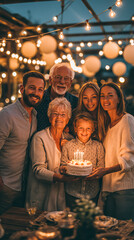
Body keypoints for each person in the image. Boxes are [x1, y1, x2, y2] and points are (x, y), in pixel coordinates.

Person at [0, 71, 45, 215]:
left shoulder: (35, 116)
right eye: (32, 88)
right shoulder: (7, 115)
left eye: (40, 89)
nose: (36, 93)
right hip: (5, 186)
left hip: (24, 186)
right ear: (22, 89)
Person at [89, 82, 134, 220]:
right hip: (108, 188)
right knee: (108, 231)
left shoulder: (127, 120)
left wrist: (105, 170)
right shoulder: (107, 125)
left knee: (122, 231)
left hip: (124, 188)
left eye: (110, 95)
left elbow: (129, 158)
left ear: (119, 98)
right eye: (102, 96)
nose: (105, 100)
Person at [26, 97, 77, 211]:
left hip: (62, 196)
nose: (59, 117)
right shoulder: (40, 137)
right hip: (41, 194)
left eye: (63, 114)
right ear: (49, 117)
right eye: (55, 114)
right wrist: (61, 178)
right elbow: (38, 170)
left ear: (68, 119)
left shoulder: (70, 139)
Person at [61, 112, 105, 210]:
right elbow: (63, 164)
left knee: (88, 221)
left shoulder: (98, 146)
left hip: (92, 194)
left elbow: (101, 167)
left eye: (88, 128)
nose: (84, 131)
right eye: (81, 128)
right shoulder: (68, 146)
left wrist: (92, 172)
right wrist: (66, 169)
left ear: (93, 129)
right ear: (75, 128)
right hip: (72, 192)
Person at [36, 62, 78, 131]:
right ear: (50, 80)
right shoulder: (39, 98)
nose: (62, 81)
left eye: (66, 78)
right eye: (58, 77)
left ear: (70, 82)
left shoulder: (76, 103)